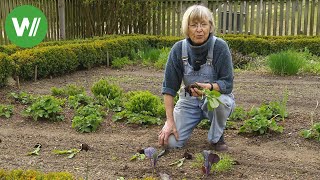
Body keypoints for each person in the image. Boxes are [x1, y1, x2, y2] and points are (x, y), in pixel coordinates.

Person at [158, 4, 235, 151]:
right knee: (170, 143)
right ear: (187, 28)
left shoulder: (220, 47)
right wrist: (169, 121)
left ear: (210, 27)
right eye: (194, 25)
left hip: (214, 98)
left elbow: (227, 83)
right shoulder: (178, 49)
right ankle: (185, 125)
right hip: (189, 102)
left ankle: (216, 138)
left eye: (203, 24)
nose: (199, 29)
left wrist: (209, 88)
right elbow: (169, 88)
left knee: (219, 103)